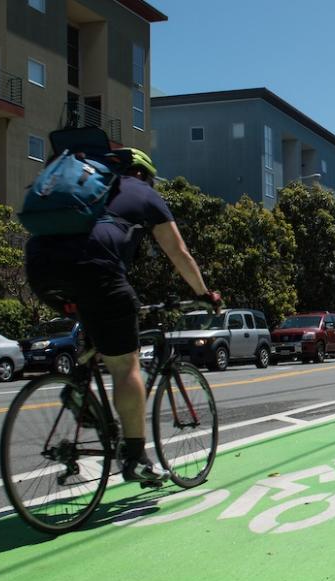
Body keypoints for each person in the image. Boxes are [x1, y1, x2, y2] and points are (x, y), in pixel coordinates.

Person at [25, 146, 220, 484]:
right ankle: (136, 458)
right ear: (144, 173)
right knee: (125, 363)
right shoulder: (144, 193)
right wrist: (204, 293)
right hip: (95, 271)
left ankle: (79, 387)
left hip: (41, 269)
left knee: (97, 325)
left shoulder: (92, 191)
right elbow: (178, 252)